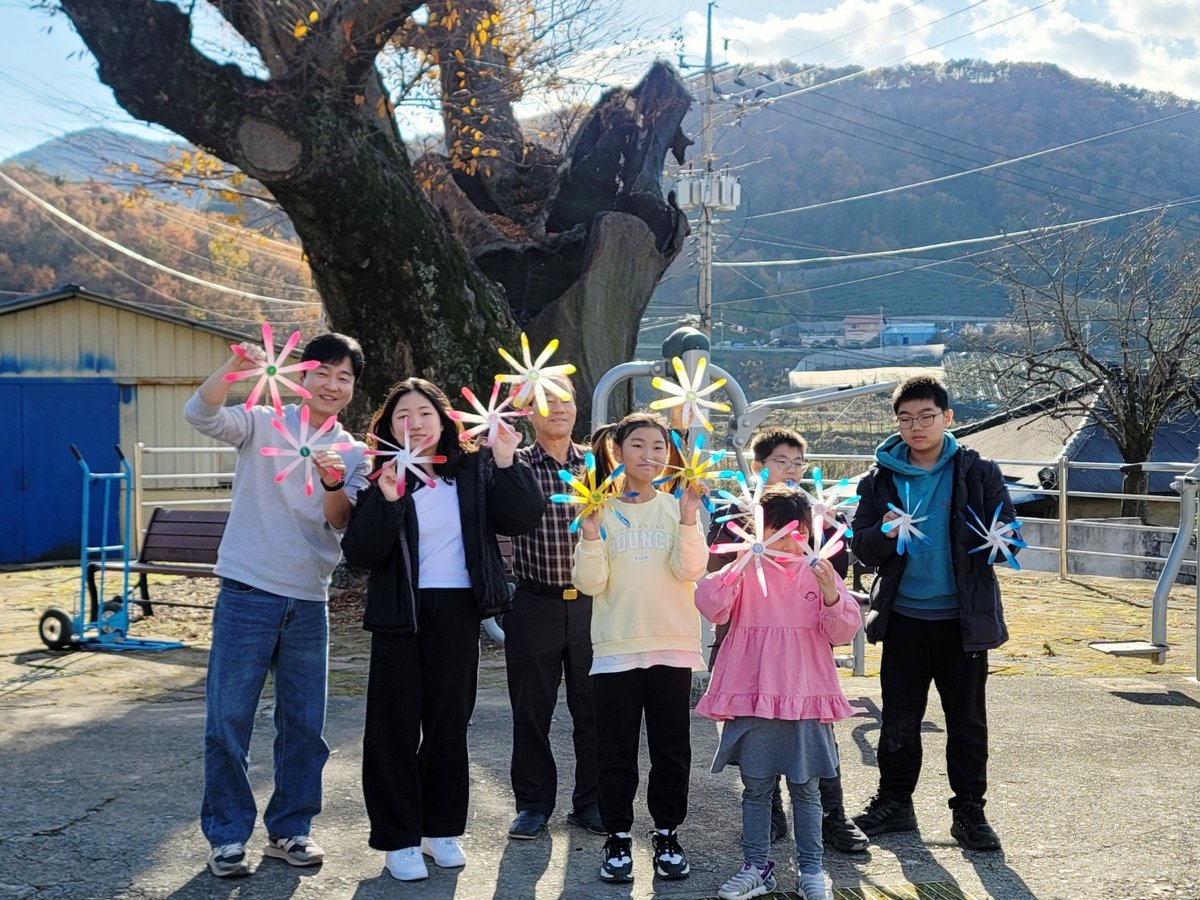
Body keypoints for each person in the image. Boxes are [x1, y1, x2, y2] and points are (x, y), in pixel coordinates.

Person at [341, 378, 543, 882]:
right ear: (388, 427)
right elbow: (360, 553)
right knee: (393, 728)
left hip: (457, 610)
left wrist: (506, 460)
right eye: (402, 416)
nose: (414, 423)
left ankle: (440, 829)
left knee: (449, 723)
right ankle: (398, 838)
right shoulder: (382, 474)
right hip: (400, 613)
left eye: (424, 413)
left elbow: (521, 517)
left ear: (444, 420)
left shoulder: (472, 469)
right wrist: (388, 499)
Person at [183, 332, 368, 878]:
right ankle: (227, 836)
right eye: (322, 373)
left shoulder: (354, 451)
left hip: (309, 596)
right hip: (247, 589)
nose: (331, 385)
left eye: (344, 377)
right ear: (301, 376)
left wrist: (332, 480)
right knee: (228, 720)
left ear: (353, 388)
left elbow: (341, 520)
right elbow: (200, 414)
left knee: (305, 724)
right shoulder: (263, 421)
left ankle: (291, 828)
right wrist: (235, 366)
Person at [850, 375, 1014, 852]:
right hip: (903, 616)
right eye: (905, 419)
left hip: (962, 620)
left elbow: (1006, 531)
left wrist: (999, 541)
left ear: (948, 417)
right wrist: (882, 533)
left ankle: (970, 811)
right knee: (899, 718)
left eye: (926, 416)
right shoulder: (880, 478)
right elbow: (863, 549)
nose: (916, 427)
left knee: (967, 720)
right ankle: (895, 802)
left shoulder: (978, 471)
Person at [707, 426, 869, 855]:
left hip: (804, 654)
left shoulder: (816, 516)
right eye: (781, 462)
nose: (792, 470)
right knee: (760, 743)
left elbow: (835, 580)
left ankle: (832, 817)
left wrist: (823, 539)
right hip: (751, 652)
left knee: (814, 742)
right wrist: (746, 554)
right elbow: (714, 584)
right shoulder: (737, 517)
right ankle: (771, 817)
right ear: (758, 466)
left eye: (799, 463)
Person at [571, 412, 707, 884]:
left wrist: (688, 519)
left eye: (658, 447)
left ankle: (667, 835)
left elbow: (691, 570)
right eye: (637, 446)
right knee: (615, 751)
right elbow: (590, 583)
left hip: (672, 646)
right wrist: (591, 534)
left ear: (669, 455)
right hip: (616, 649)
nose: (649, 455)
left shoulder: (677, 506)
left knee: (671, 749)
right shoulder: (599, 509)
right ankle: (618, 837)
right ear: (618, 451)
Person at [504, 377, 603, 839]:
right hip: (534, 602)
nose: (558, 408)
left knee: (595, 708)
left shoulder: (598, 464)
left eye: (565, 399)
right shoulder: (516, 464)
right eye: (545, 401)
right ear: (527, 411)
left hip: (593, 604)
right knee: (531, 710)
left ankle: (592, 801)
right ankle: (532, 804)